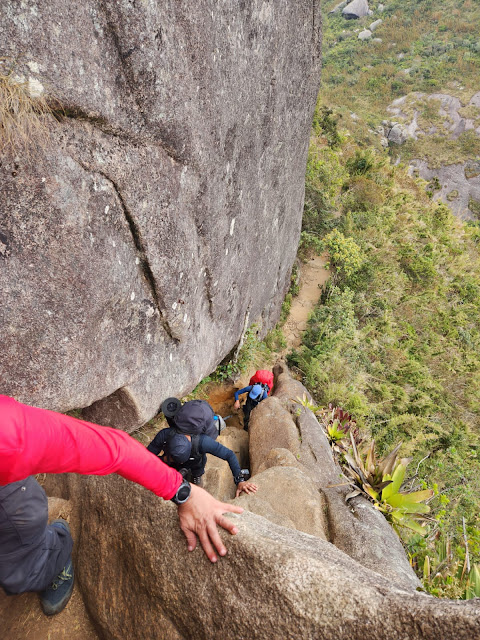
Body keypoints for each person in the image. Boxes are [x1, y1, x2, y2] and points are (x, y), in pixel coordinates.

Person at [0, 394, 243, 616]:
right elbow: (144, 453)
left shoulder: (9, 434)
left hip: (9, 484)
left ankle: (54, 552)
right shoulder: (168, 437)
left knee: (16, 573)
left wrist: (184, 492)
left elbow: (119, 451)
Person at [147, 425, 258, 496]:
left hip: (196, 464)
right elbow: (147, 457)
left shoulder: (203, 442)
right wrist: (165, 459)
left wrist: (240, 480)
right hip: (171, 464)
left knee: (197, 471)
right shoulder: (164, 435)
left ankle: (196, 477)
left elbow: (229, 454)